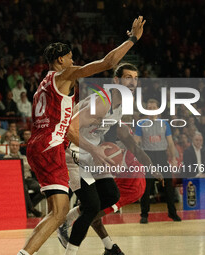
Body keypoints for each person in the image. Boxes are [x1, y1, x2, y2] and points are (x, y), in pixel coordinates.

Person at [19, 16, 145, 255]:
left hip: (38, 145)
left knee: (57, 212)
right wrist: (132, 39)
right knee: (66, 211)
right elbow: (108, 62)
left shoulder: (42, 85)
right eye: (70, 57)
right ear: (60, 60)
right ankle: (68, 238)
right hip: (56, 146)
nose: (73, 61)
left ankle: (49, 240)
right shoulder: (64, 76)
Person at [61, 63, 158, 255]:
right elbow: (69, 129)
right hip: (72, 152)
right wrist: (95, 150)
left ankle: (66, 221)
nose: (132, 82)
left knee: (112, 195)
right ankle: (69, 249)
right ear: (116, 80)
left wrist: (150, 164)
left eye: (135, 78)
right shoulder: (102, 102)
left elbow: (128, 139)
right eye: (127, 77)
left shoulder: (121, 106)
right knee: (92, 207)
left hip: (91, 155)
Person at [134, 98, 182, 223]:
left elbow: (170, 143)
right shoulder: (141, 123)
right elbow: (136, 141)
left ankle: (172, 213)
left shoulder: (165, 124)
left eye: (153, 108)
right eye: (149, 108)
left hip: (161, 156)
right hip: (148, 157)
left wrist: (173, 159)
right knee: (146, 187)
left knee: (168, 186)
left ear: (158, 109)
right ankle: (144, 215)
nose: (151, 110)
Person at [4, 138, 44, 217]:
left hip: (28, 179)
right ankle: (32, 209)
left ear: (19, 147)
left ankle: (28, 208)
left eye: (16, 145)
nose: (14, 147)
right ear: (9, 146)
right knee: (23, 189)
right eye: (13, 145)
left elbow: (31, 167)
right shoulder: (6, 158)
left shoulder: (24, 157)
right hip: (16, 180)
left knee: (43, 189)